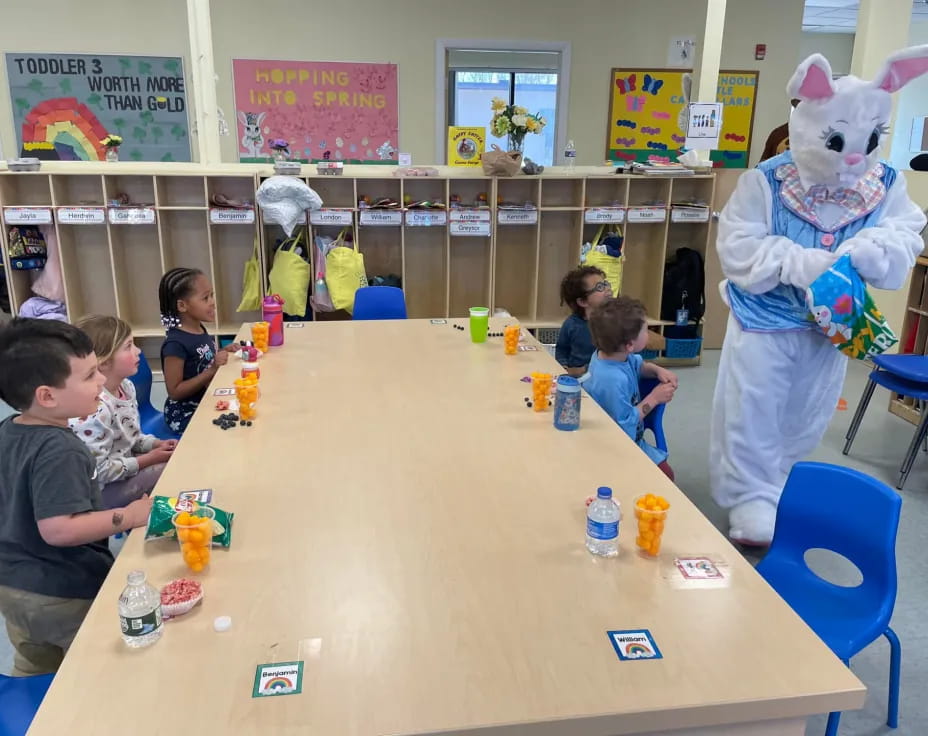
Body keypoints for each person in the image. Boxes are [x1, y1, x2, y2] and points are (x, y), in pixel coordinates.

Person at [711, 48, 928, 546]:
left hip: (833, 326)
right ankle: (750, 494)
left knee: (808, 410)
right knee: (755, 407)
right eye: (838, 140)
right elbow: (738, 246)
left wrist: (878, 249)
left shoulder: (885, 183)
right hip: (766, 319)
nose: (855, 156)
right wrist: (796, 262)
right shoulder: (765, 182)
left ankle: (783, 481)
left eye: (870, 140)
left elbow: (907, 229)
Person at [0, 318, 153, 676]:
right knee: (97, 671)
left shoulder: (9, 430)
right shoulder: (61, 449)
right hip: (63, 589)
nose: (100, 380)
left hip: (13, 586)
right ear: (47, 395)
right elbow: (59, 529)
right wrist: (128, 517)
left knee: (35, 669)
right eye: (87, 376)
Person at [69, 315, 176, 508]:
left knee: (174, 462)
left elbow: (130, 438)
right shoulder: (95, 409)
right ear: (103, 362)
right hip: (102, 492)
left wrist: (156, 444)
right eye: (128, 346)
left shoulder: (126, 387)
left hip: (126, 469)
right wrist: (149, 459)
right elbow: (100, 472)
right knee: (169, 470)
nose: (139, 351)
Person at [584, 297, 677, 480]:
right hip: (614, 445)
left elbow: (638, 365)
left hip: (629, 436)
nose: (649, 333)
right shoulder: (612, 379)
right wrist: (655, 398)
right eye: (645, 330)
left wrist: (656, 370)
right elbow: (624, 424)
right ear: (629, 345)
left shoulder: (614, 355)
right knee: (666, 476)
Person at [158, 267, 233, 434]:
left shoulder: (198, 328)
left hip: (205, 400)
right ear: (182, 306)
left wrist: (223, 350)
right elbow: (175, 391)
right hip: (183, 413)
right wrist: (213, 369)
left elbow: (200, 360)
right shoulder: (175, 344)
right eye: (205, 298)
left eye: (212, 295)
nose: (212, 301)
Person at [555, 266, 612, 377]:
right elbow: (562, 349)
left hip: (603, 378)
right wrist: (564, 367)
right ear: (582, 301)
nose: (607, 289)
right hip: (577, 381)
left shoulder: (614, 321)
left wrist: (584, 369)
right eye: (600, 287)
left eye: (605, 284)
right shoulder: (571, 324)